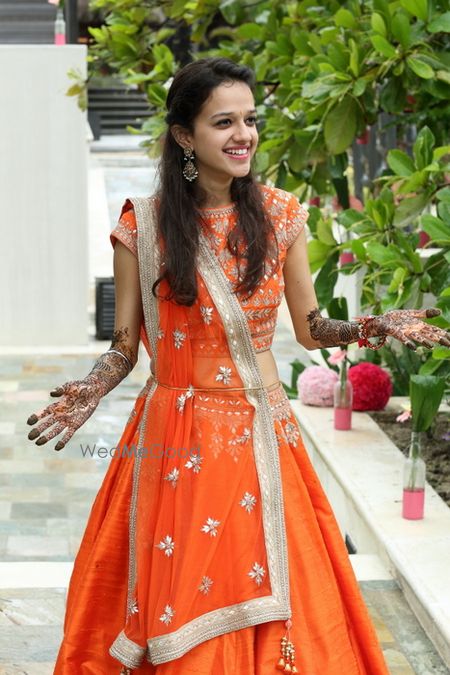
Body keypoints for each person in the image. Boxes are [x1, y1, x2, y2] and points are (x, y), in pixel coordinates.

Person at [27, 57, 449, 674]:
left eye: (250, 119)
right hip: (172, 440)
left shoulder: (280, 216)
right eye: (223, 121)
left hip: (259, 437)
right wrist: (92, 388)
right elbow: (125, 345)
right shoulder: (141, 227)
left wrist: (374, 324)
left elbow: (311, 330)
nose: (243, 134)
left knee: (279, 589)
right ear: (182, 136)